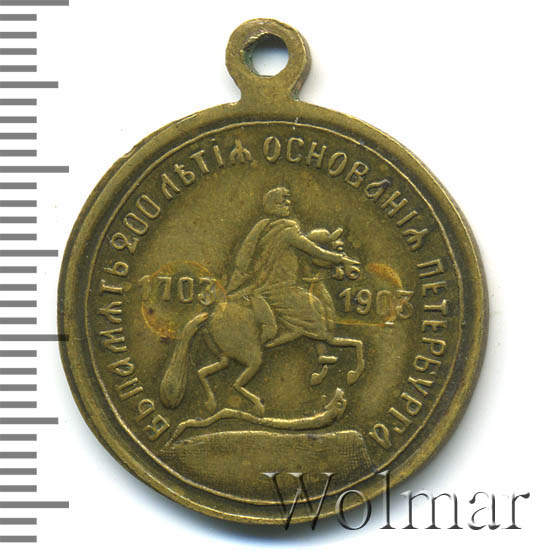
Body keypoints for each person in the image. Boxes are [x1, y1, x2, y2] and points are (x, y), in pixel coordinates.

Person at [227, 187, 356, 347]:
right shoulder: (287, 231)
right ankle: (267, 342)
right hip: (279, 286)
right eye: (283, 201)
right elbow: (313, 250)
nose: (288, 203)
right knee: (314, 311)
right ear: (273, 205)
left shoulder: (265, 228)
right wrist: (341, 259)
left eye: (287, 199)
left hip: (268, 284)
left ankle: (280, 337)